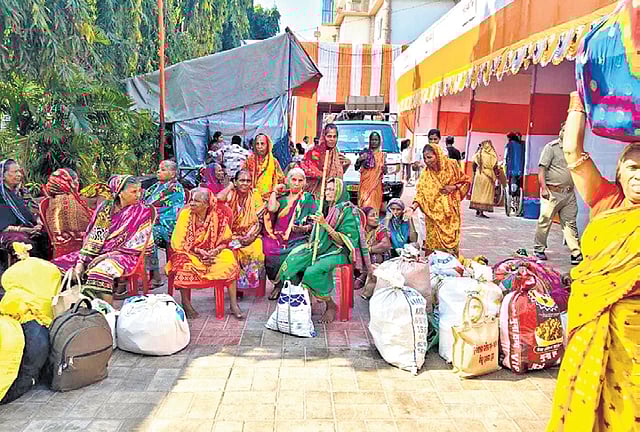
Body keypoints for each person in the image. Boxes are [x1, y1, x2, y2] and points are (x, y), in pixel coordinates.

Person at [547, 91, 640, 432]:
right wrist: (580, 98)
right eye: (633, 167)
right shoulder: (606, 200)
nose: (639, 176)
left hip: (635, 336)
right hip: (593, 318)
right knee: (587, 401)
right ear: (619, 171)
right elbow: (572, 150)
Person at [277, 178, 371, 323]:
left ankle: (331, 305)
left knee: (312, 272)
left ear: (339, 191)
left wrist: (324, 224)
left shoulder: (348, 211)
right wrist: (309, 226)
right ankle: (303, 300)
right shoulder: (325, 206)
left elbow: (344, 241)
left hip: (339, 251)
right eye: (327, 189)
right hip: (322, 247)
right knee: (293, 262)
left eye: (332, 189)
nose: (327, 192)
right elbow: (316, 229)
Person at [54, 175, 153, 304]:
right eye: (134, 191)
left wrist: (106, 256)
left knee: (99, 273)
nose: (138, 195)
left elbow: (138, 245)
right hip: (98, 250)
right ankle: (76, 309)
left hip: (126, 255)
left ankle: (108, 312)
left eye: (139, 190)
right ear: (119, 193)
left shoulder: (142, 211)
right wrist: (81, 261)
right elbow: (94, 237)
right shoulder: (105, 208)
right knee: (57, 267)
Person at [166, 187, 242, 319]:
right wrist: (198, 251)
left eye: (196, 201)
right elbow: (178, 243)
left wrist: (214, 251)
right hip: (190, 252)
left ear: (207, 204)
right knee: (181, 262)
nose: (192, 204)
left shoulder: (219, 216)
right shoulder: (185, 215)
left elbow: (226, 241)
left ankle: (233, 305)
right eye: (191, 200)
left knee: (229, 258)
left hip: (213, 253)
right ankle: (186, 303)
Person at [405, 144, 471, 256]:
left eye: (429, 157)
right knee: (433, 249)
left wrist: (453, 187)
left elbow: (465, 181)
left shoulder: (452, 165)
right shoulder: (426, 174)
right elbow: (420, 194)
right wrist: (412, 208)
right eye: (424, 158)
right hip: (433, 216)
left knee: (451, 248)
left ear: (438, 155)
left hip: (450, 213)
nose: (427, 161)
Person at [262, 168, 318, 300]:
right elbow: (271, 208)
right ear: (287, 181)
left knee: (295, 254)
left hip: (299, 238)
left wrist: (304, 228)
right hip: (278, 237)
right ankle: (278, 284)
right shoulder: (282, 198)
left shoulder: (307, 199)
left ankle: (293, 285)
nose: (297, 183)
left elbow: (315, 220)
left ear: (304, 183)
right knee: (270, 251)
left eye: (300, 180)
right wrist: (275, 191)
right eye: (293, 180)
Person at [534, 123, 582, 264]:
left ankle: (575, 252)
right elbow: (542, 169)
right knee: (545, 221)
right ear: (560, 131)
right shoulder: (551, 148)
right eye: (563, 130)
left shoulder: (575, 150)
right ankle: (539, 249)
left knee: (570, 223)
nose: (565, 133)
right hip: (552, 192)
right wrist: (543, 188)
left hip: (569, 193)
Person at [218, 170, 265, 292]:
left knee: (257, 249)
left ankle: (246, 284)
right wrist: (230, 185)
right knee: (230, 251)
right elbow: (218, 198)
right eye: (242, 180)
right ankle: (235, 287)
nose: (245, 183)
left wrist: (252, 237)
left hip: (251, 234)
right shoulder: (230, 194)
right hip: (231, 235)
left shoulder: (255, 195)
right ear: (235, 182)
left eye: (248, 181)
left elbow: (260, 220)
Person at [143, 160, 185, 287]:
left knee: (149, 235)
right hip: (152, 222)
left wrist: (154, 218)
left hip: (167, 225)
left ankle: (155, 275)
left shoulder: (175, 188)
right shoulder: (156, 186)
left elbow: (174, 212)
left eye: (163, 170)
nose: (158, 171)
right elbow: (144, 202)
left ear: (173, 173)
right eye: (159, 169)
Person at [0, 159, 45, 271]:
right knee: (22, 243)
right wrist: (28, 230)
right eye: (15, 172)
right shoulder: (1, 196)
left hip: (29, 228)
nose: (19, 174)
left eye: (19, 171)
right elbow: (4, 227)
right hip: (7, 232)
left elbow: (35, 212)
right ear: (3, 175)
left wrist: (39, 224)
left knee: (46, 236)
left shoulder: (23, 192)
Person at [42, 168, 92, 258]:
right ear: (70, 183)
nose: (78, 183)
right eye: (76, 180)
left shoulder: (54, 200)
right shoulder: (69, 201)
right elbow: (86, 227)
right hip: (77, 252)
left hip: (60, 251)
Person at [299, 123, 351, 197]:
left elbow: (339, 170)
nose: (332, 139)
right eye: (329, 136)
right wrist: (320, 174)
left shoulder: (335, 152)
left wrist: (346, 164)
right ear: (324, 136)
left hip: (332, 194)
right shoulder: (315, 152)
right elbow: (305, 166)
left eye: (334, 136)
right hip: (316, 193)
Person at [358, 206, 392, 300]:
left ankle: (365, 276)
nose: (376, 218)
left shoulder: (381, 229)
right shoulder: (359, 229)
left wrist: (368, 249)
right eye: (372, 216)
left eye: (377, 215)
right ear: (364, 218)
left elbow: (385, 245)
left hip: (377, 258)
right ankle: (362, 274)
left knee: (375, 257)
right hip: (362, 257)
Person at [242, 133, 285, 201]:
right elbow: (243, 176)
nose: (259, 146)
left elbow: (281, 179)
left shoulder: (273, 161)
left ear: (268, 145)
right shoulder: (249, 160)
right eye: (257, 144)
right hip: (251, 197)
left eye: (262, 144)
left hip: (269, 198)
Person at [355, 132, 386, 211]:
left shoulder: (382, 155)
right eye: (372, 140)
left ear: (379, 141)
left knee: (374, 209)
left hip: (376, 186)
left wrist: (384, 169)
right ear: (369, 141)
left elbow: (385, 171)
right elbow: (356, 167)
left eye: (376, 140)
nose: (374, 142)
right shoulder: (365, 153)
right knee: (365, 207)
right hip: (365, 186)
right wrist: (359, 160)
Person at [469, 140, 498, 218]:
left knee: (478, 193)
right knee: (485, 193)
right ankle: (481, 212)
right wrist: (497, 175)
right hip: (488, 175)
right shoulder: (492, 155)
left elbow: (474, 164)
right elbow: (495, 167)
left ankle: (478, 211)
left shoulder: (479, 154)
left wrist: (475, 171)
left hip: (479, 174)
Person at [505, 131, 525, 198]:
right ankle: (517, 195)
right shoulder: (522, 145)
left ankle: (513, 196)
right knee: (519, 183)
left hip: (512, 168)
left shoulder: (509, 145)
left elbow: (506, 157)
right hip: (521, 169)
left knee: (512, 182)